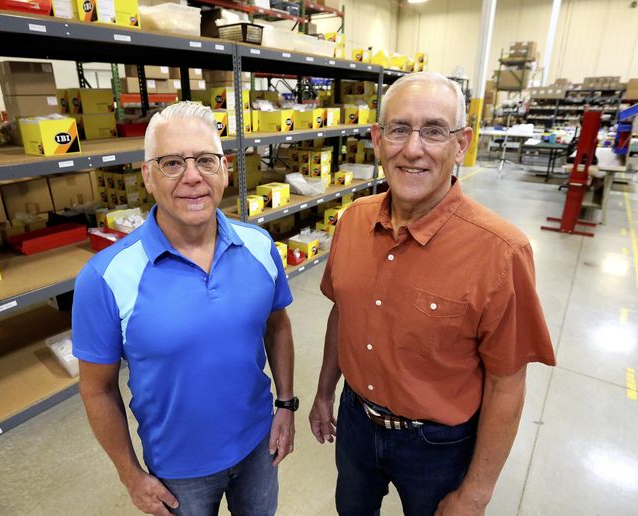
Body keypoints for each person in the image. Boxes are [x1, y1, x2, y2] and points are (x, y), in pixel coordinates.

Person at [309, 72, 556, 516]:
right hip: (355, 421)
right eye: (399, 129)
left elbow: (507, 383)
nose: (413, 148)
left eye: (434, 131)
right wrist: (325, 391)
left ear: (461, 144)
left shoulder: (501, 252)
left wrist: (475, 494)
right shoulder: (351, 222)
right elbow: (340, 314)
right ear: (378, 139)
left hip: (438, 445)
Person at [72, 102, 297, 516]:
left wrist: (285, 404)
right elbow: (96, 389)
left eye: (205, 161)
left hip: (258, 447)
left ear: (226, 170)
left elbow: (277, 324)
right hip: (177, 475)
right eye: (172, 162)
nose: (192, 177)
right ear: (147, 175)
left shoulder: (260, 246)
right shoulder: (105, 277)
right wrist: (130, 475)